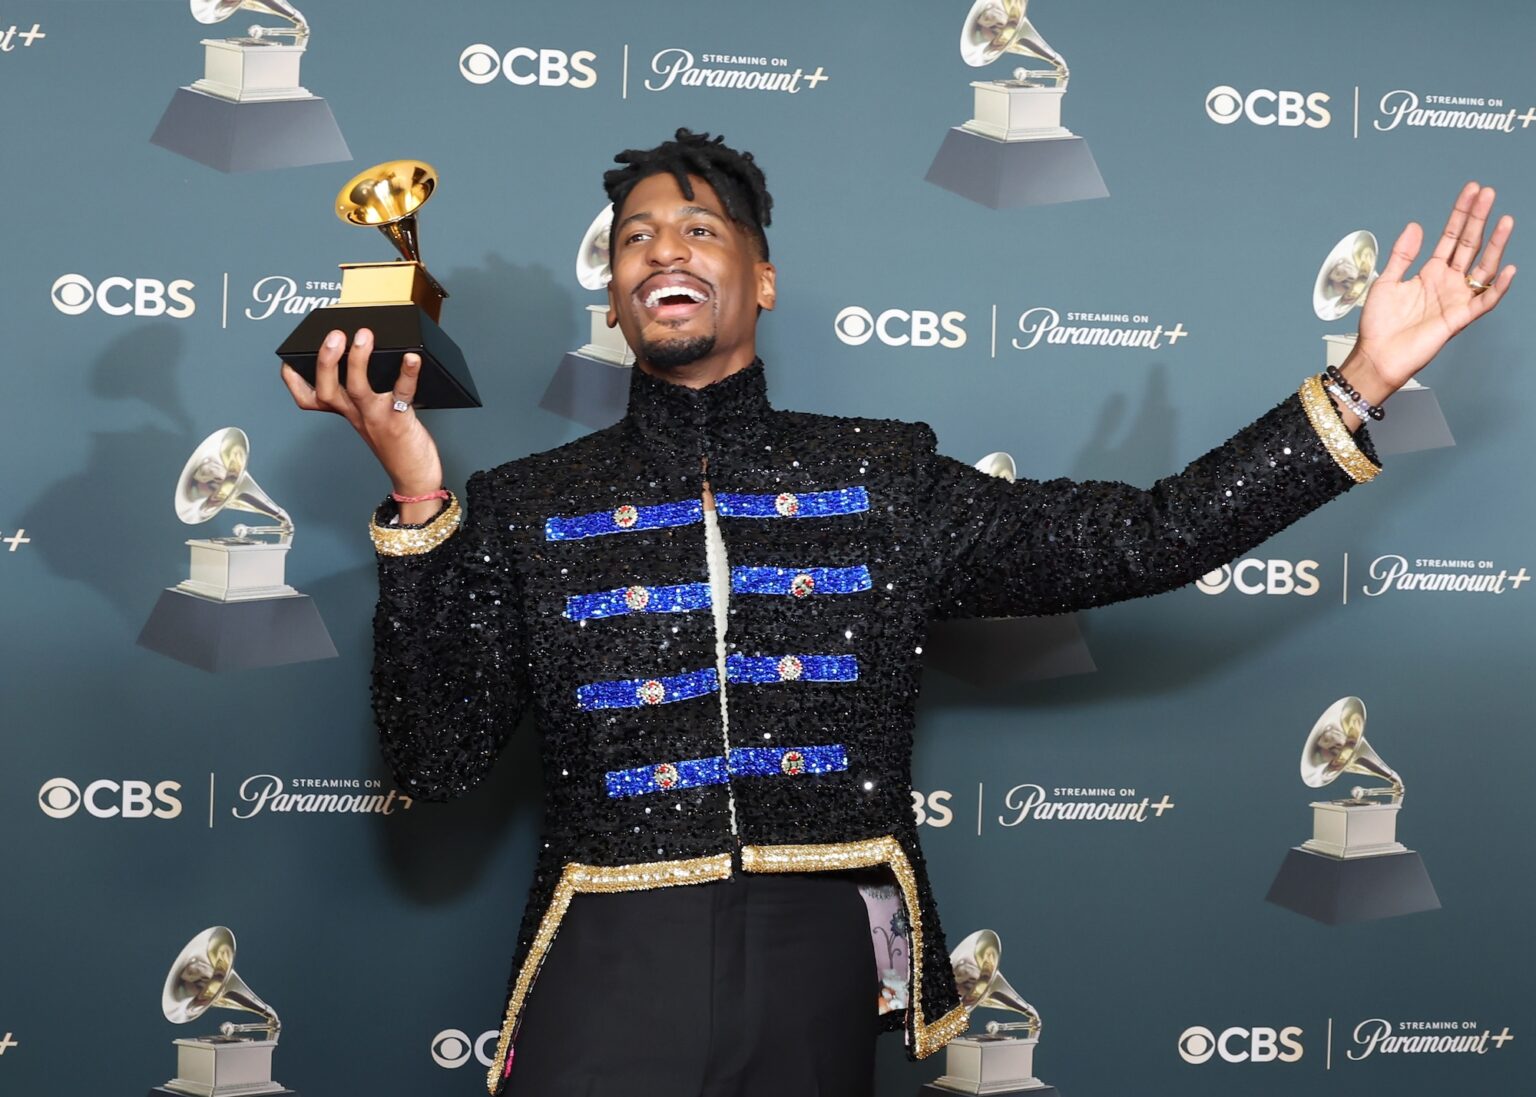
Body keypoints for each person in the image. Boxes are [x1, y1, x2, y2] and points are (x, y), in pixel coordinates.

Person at [280, 130, 1515, 1096]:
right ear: (608, 291)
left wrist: (1362, 380)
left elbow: (1150, 534)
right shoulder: (518, 505)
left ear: (761, 276)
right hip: (604, 941)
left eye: (699, 228)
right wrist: (419, 496)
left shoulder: (885, 474)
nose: (664, 250)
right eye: (634, 237)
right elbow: (435, 755)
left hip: (822, 943)